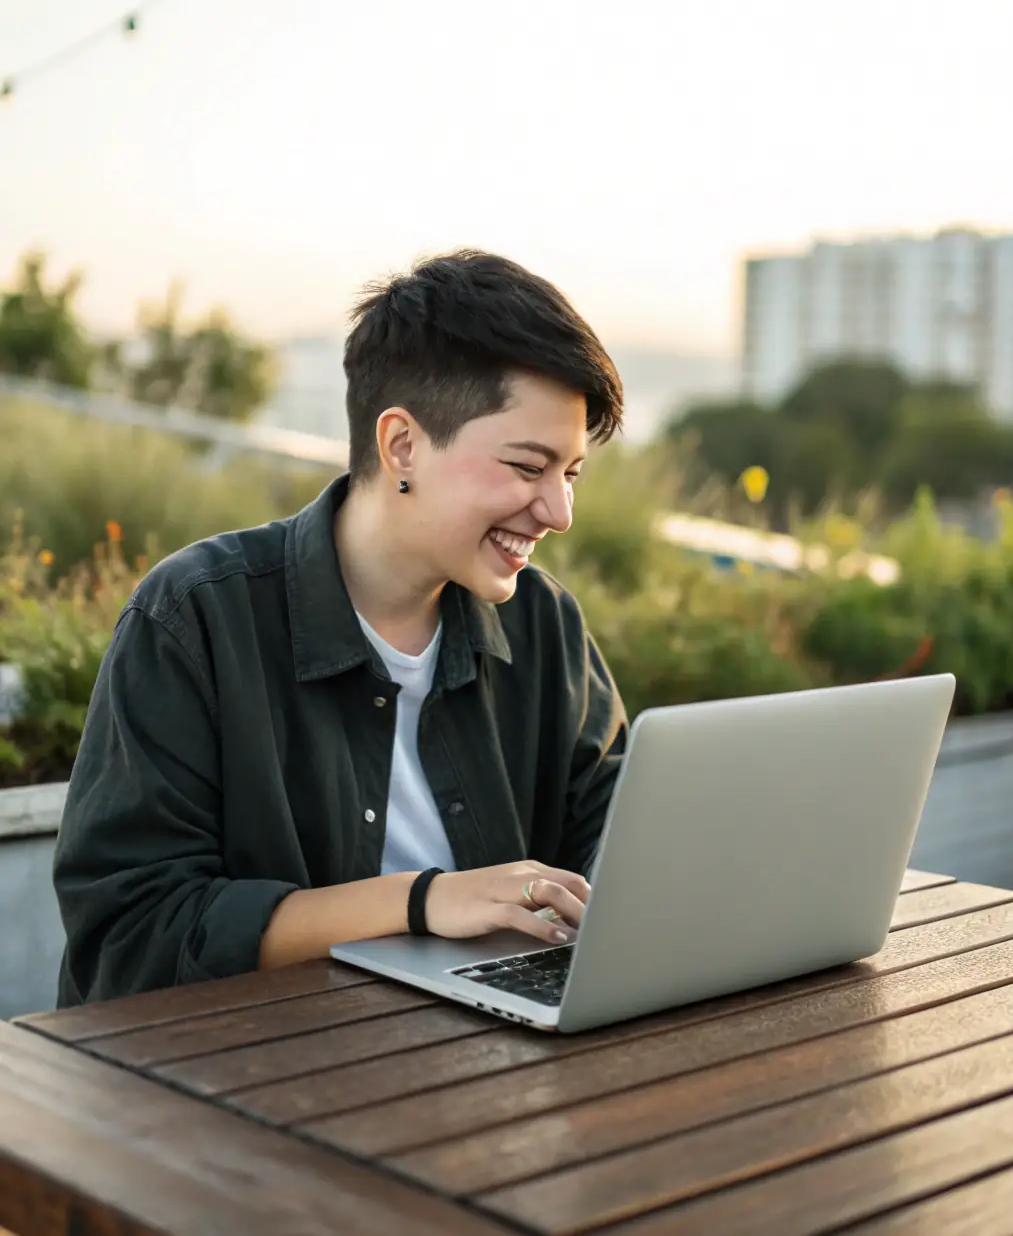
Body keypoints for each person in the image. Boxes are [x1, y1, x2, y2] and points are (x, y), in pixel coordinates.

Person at [53, 250, 628, 1005]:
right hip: (230, 1078)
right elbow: (131, 935)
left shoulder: (542, 621)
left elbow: (619, 832)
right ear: (401, 446)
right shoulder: (196, 618)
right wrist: (422, 900)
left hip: (477, 1061)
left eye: (572, 473)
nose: (559, 512)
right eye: (528, 467)